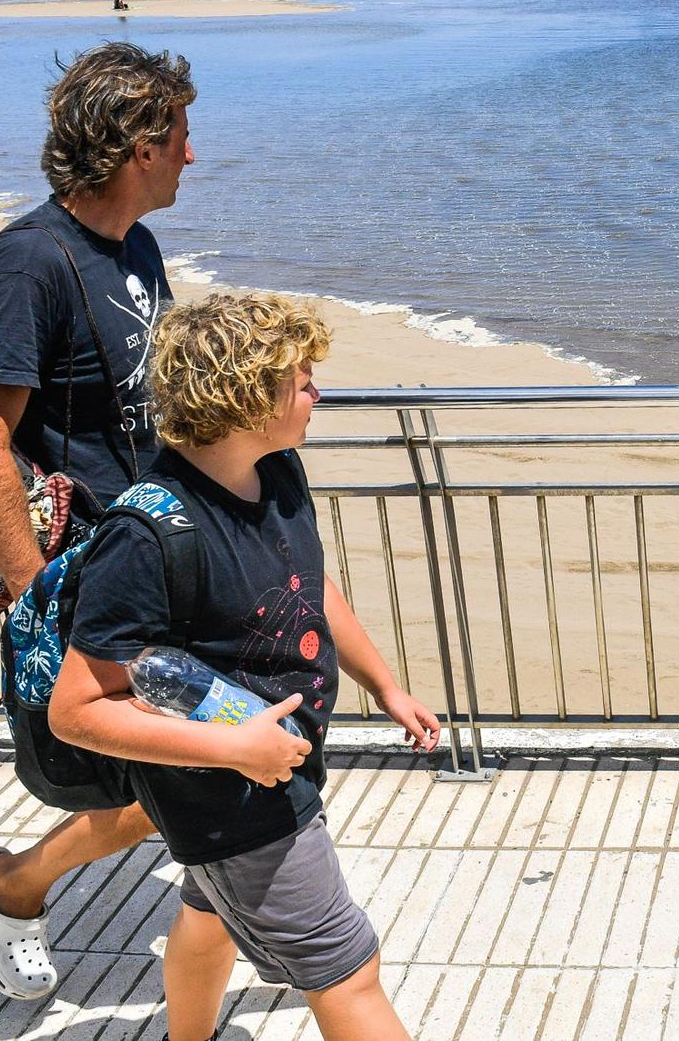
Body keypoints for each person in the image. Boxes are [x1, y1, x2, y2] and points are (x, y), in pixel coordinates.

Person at [50, 293, 441, 1041]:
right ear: (246, 396)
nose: (316, 392)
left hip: (275, 763)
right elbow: (79, 709)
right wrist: (235, 748)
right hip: (231, 795)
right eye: (301, 379)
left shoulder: (278, 472)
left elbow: (308, 583)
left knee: (208, 914)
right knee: (347, 971)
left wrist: (385, 685)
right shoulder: (145, 535)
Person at [0, 42, 195, 1000]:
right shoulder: (27, 262)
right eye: (180, 134)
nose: (193, 154)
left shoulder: (136, 248)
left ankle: (233, 945)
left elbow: (148, 403)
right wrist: (33, 600)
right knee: (161, 787)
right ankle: (13, 886)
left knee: (196, 774)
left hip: (155, 555)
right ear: (138, 144)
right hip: (84, 577)